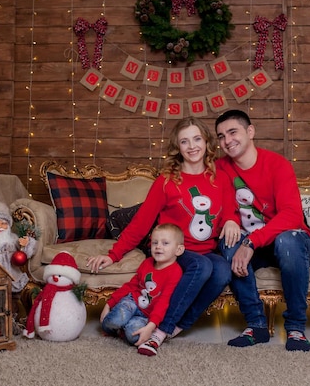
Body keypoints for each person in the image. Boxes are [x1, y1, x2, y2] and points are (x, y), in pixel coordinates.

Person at [87, 117, 240, 356]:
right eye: (185, 141)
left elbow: (230, 210)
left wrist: (231, 220)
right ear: (177, 147)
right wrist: (113, 254)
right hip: (171, 252)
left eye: (197, 139)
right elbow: (141, 223)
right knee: (201, 266)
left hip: (206, 250)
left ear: (207, 142)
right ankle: (159, 331)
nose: (192, 146)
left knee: (222, 270)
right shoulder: (167, 182)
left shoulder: (220, 177)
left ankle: (176, 326)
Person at [214, 109, 310, 352]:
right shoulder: (221, 167)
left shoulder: (277, 165)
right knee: (228, 243)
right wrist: (229, 220)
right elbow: (223, 203)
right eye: (220, 136)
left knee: (287, 241)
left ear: (250, 132)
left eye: (232, 132)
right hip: (255, 244)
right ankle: (256, 325)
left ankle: (296, 328)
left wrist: (250, 243)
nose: (227, 141)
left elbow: (291, 215)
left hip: (292, 241)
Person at [100, 223, 185, 356]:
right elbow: (132, 285)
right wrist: (109, 303)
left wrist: (151, 326)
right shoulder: (147, 263)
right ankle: (116, 324)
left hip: (147, 315)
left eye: (165, 243)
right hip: (132, 301)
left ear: (178, 250)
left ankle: (122, 329)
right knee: (114, 319)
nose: (158, 247)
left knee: (134, 336)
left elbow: (164, 302)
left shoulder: (175, 272)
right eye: (155, 243)